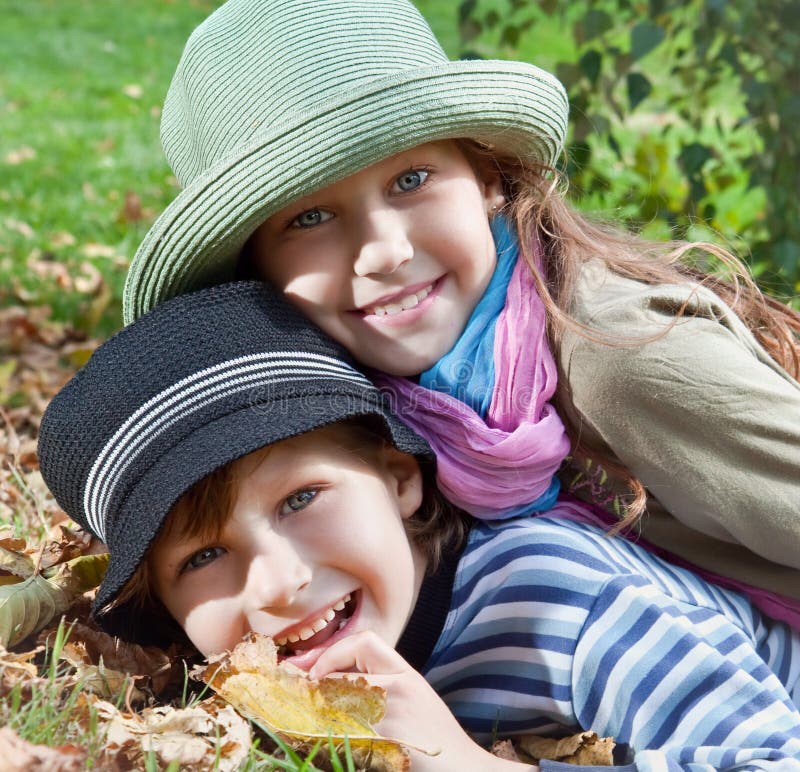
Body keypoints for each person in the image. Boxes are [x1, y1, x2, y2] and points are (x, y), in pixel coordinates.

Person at [121, 0, 800, 625]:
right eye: (310, 217)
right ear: (258, 272)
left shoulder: (628, 361)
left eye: (411, 180)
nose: (384, 251)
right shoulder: (356, 400)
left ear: (486, 179)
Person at [38, 282, 800, 771]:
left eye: (301, 499)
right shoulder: (256, 681)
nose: (278, 582)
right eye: (203, 555)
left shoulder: (558, 602)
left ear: (401, 479)